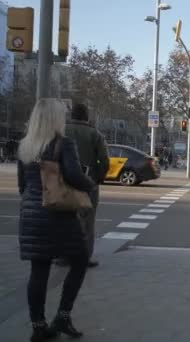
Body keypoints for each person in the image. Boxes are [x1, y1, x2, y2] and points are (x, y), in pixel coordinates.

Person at [18, 99, 95, 341]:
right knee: (80, 260)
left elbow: (22, 186)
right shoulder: (63, 143)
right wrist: (89, 184)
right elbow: (73, 176)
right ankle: (62, 316)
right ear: (54, 119)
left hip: (31, 216)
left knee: (38, 270)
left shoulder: (25, 147)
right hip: (59, 216)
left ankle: (38, 327)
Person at [65, 103, 110, 268]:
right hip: (87, 182)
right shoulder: (94, 134)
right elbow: (104, 161)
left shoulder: (60, 131)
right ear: (86, 116)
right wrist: (97, 178)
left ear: (72, 115)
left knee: (63, 218)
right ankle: (84, 257)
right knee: (87, 221)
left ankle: (63, 255)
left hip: (63, 183)